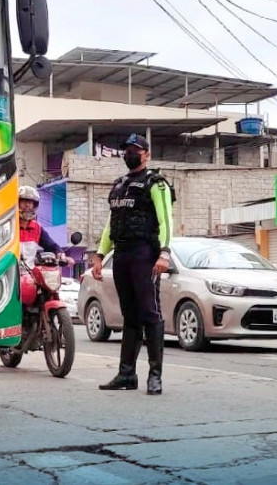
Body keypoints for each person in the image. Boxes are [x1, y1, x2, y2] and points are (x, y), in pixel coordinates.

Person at [90, 134, 173, 395]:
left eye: (135, 150)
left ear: (146, 154)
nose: (130, 154)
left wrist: (165, 253)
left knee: (150, 313)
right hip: (122, 256)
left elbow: (166, 221)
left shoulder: (156, 184)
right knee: (130, 316)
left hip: (145, 256)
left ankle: (155, 376)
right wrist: (100, 255)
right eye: (127, 150)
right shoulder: (119, 185)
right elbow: (110, 225)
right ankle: (127, 374)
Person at [17, 185, 69, 265]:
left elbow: (51, 245)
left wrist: (60, 253)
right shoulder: (10, 225)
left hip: (29, 272)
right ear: (17, 203)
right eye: (24, 201)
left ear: (34, 206)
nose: (27, 205)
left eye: (30, 202)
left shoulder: (37, 228)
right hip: (9, 272)